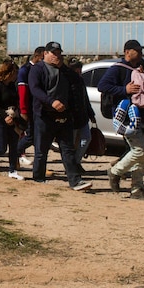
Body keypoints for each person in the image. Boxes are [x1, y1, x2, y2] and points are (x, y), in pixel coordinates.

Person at [29, 42, 92, 191]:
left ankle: (75, 181)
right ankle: (38, 180)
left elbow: (77, 85)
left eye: (59, 53)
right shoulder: (37, 69)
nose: (57, 56)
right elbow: (35, 89)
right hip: (44, 116)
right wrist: (51, 102)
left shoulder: (66, 71)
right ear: (45, 53)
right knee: (41, 151)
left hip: (64, 117)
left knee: (68, 149)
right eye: (53, 53)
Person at [98, 39, 144, 199]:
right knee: (138, 151)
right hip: (128, 117)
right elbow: (103, 86)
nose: (140, 53)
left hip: (143, 116)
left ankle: (137, 189)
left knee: (141, 155)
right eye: (137, 50)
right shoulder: (118, 69)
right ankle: (115, 172)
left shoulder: (141, 68)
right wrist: (124, 89)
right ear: (127, 52)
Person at [16, 46, 45, 168]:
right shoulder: (25, 70)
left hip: (38, 108)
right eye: (43, 57)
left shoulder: (41, 69)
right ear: (37, 56)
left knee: (39, 137)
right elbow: (22, 91)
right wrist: (23, 110)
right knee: (31, 136)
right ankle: (15, 152)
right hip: (29, 109)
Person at [67, 58, 95, 173]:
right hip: (71, 118)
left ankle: (76, 162)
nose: (79, 72)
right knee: (71, 144)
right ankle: (70, 167)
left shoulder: (80, 81)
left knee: (86, 139)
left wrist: (91, 113)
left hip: (82, 117)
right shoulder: (66, 81)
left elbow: (85, 99)